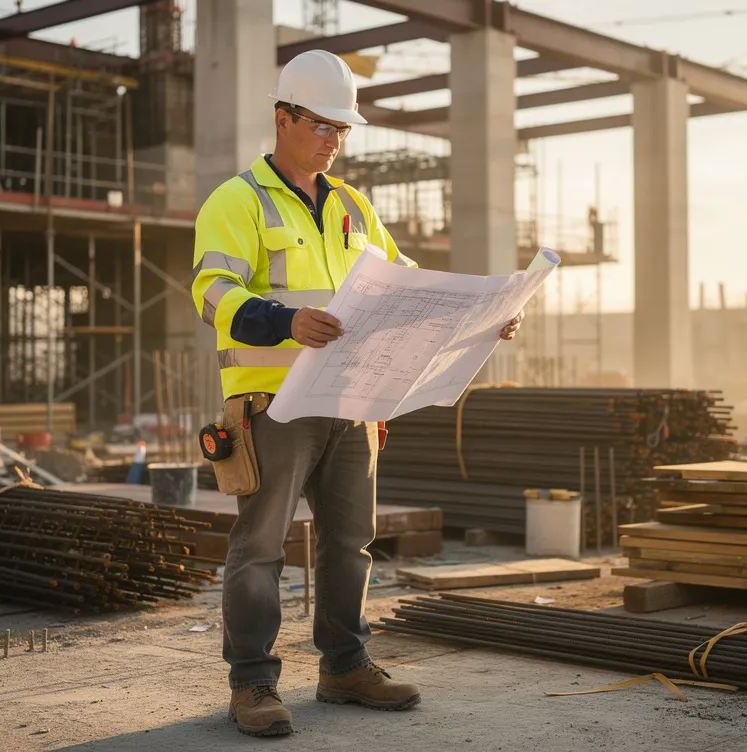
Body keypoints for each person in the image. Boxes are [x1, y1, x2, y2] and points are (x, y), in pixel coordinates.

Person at [191, 49, 524, 738]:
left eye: (343, 129)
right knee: (260, 546)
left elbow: (409, 289)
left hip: (350, 404)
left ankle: (344, 665)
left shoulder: (353, 207)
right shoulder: (237, 201)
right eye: (322, 125)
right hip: (273, 406)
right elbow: (212, 294)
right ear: (283, 119)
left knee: (350, 543)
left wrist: (485, 316)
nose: (334, 140)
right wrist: (285, 321)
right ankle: (251, 683)